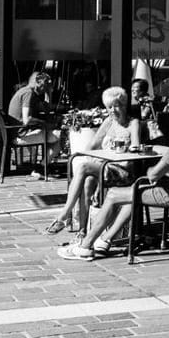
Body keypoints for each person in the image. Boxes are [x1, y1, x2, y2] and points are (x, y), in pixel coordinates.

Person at [58, 89, 169, 259]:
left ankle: (85, 246)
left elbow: (154, 175)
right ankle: (105, 240)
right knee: (133, 190)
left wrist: (150, 169)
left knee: (114, 194)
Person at [46, 86, 141, 238]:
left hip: (123, 170)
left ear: (124, 105)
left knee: (83, 166)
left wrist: (129, 147)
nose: (113, 110)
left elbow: (136, 145)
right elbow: (91, 146)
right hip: (105, 168)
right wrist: (96, 158)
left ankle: (65, 214)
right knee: (87, 182)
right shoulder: (109, 122)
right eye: (109, 107)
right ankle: (83, 231)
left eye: (116, 106)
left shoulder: (132, 123)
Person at [8, 70, 63, 175]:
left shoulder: (27, 92)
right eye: (45, 87)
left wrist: (49, 94)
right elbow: (27, 119)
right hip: (20, 136)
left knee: (51, 133)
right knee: (60, 136)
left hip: (19, 132)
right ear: (38, 84)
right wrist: (43, 123)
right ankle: (41, 168)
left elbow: (46, 109)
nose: (44, 90)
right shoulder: (28, 94)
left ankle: (43, 165)